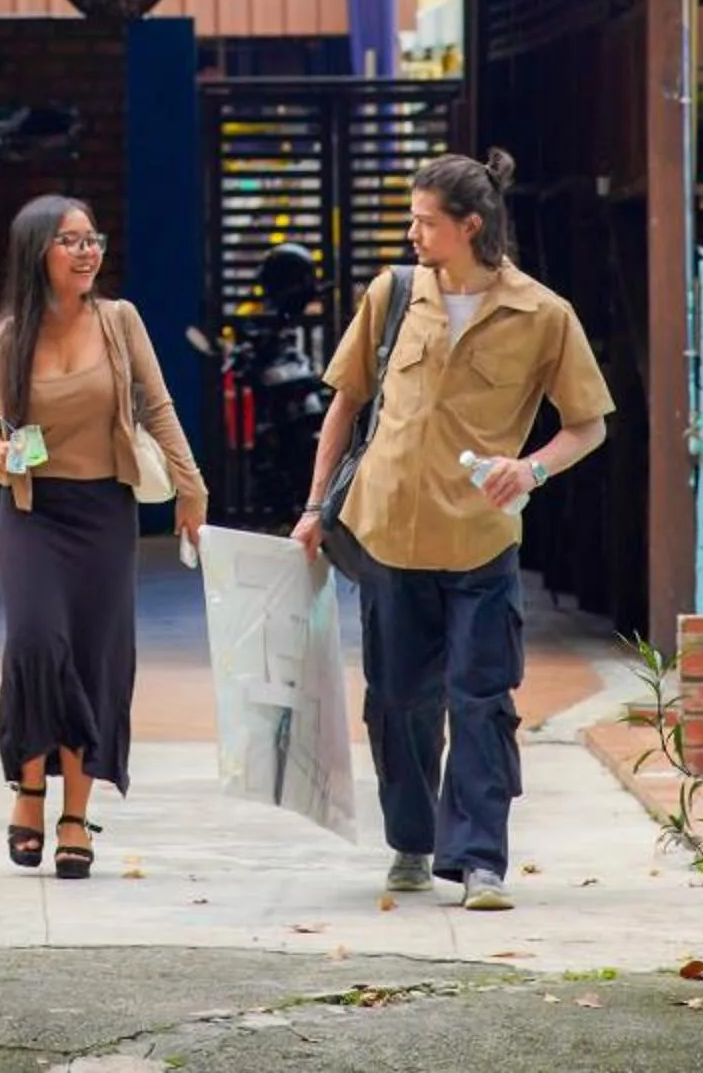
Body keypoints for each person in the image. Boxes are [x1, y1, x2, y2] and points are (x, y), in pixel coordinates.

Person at [292, 149, 611, 913]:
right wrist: (312, 508)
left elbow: (588, 426)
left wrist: (531, 469)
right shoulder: (394, 296)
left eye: (426, 222)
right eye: (412, 219)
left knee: (483, 697)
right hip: (389, 534)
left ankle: (480, 862)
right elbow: (344, 404)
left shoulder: (542, 314)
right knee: (398, 698)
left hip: (481, 540)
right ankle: (410, 840)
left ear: (471, 226)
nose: (413, 233)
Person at [0, 193, 208, 880]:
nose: (86, 251)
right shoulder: (2, 342)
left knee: (95, 657)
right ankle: (29, 786)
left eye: (92, 238)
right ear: (36, 253)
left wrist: (192, 490)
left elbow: (156, 407)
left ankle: (75, 814)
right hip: (32, 513)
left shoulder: (120, 322)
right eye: (70, 241)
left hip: (106, 512)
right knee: (38, 642)